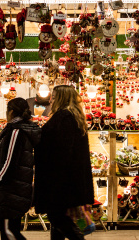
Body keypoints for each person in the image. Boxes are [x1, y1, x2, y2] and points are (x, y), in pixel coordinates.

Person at [34, 85, 94, 240]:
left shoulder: (64, 118)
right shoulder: (74, 117)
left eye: (53, 97)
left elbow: (61, 152)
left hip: (60, 182)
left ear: (61, 98)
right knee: (58, 223)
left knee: (58, 218)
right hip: (70, 181)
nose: (50, 100)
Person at [0, 97, 41, 240]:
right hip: (14, 189)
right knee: (11, 231)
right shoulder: (19, 129)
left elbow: (9, 160)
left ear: (11, 112)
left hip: (9, 190)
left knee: (9, 232)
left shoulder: (16, 131)